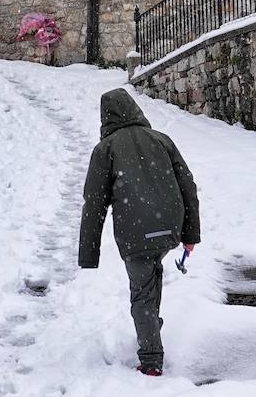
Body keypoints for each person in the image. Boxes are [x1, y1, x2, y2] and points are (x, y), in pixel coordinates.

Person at [78, 88, 200, 378]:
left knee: (142, 292)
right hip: (168, 225)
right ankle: (151, 328)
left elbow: (93, 203)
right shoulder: (161, 140)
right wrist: (190, 234)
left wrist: (88, 252)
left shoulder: (105, 149)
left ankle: (151, 361)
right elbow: (188, 187)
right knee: (151, 274)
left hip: (135, 232)